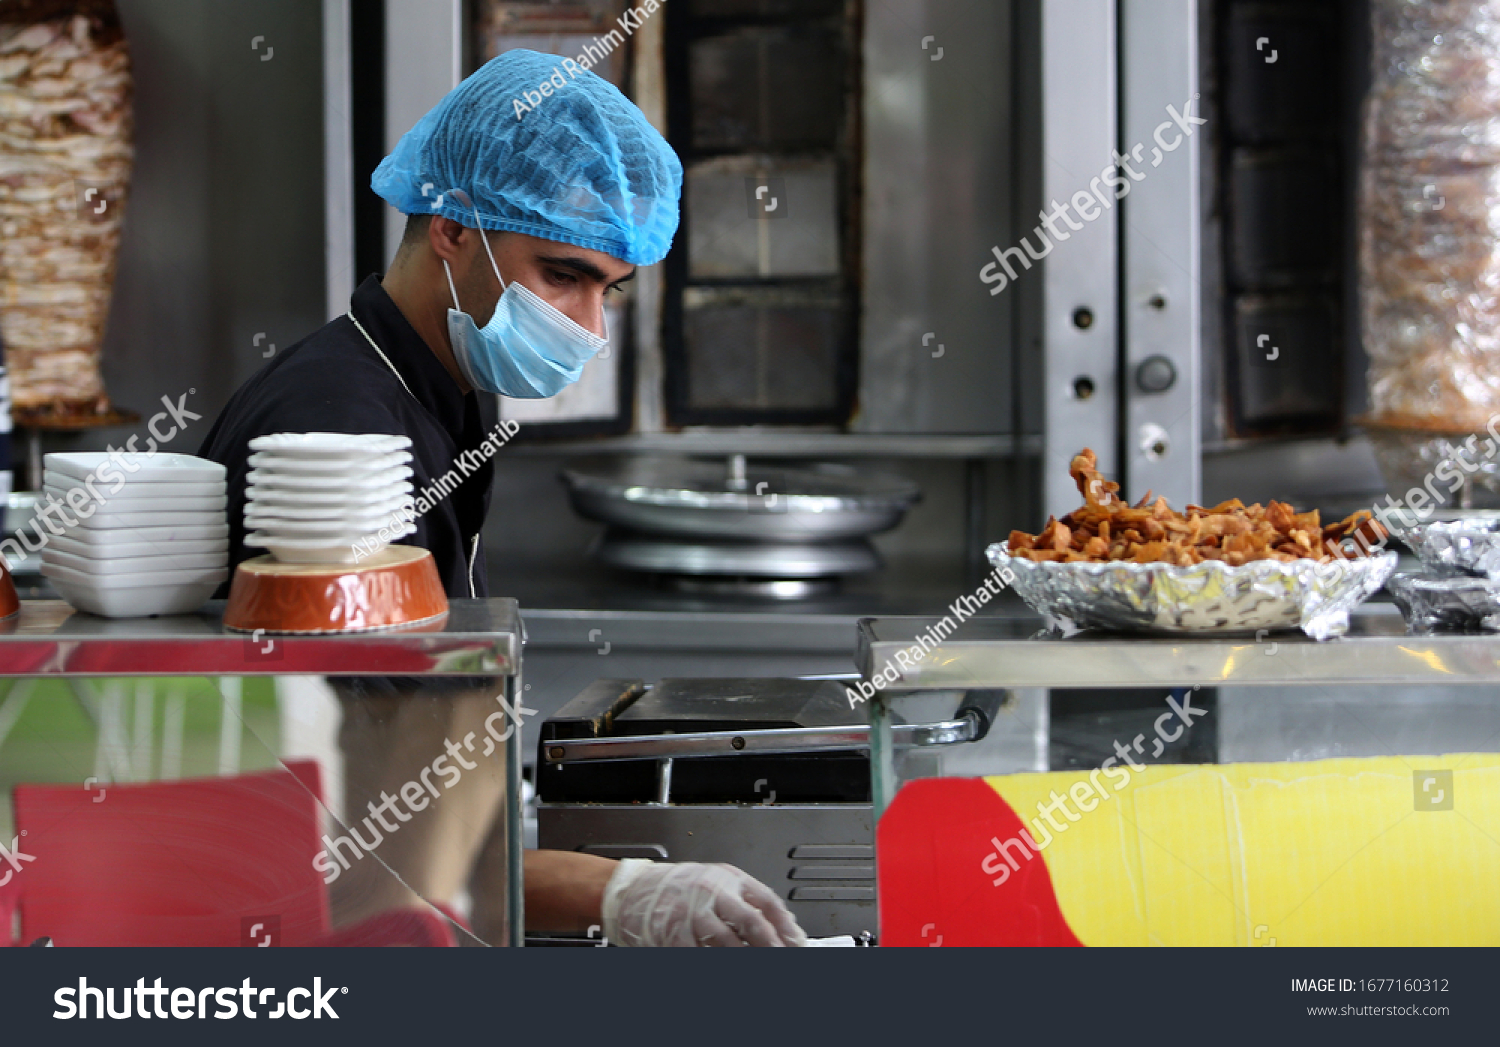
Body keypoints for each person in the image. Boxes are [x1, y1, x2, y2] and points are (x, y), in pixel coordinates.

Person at [199, 50, 806, 947]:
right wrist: (617, 889)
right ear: (452, 226)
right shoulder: (341, 434)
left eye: (608, 290)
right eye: (561, 274)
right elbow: (355, 826)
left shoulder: (436, 383)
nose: (588, 328)